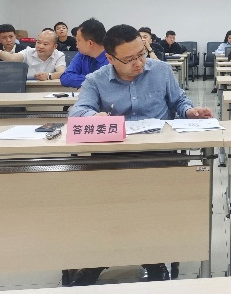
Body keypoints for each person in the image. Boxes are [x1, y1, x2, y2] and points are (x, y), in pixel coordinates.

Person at [68, 24, 213, 286]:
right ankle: (99, 257)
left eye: (141, 54)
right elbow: (78, 114)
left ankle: (153, 258)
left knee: (153, 203)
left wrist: (189, 111)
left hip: (159, 158)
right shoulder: (96, 80)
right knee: (105, 204)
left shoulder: (161, 71)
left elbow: (179, 101)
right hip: (113, 160)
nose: (138, 63)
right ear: (110, 58)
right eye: (129, 59)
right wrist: (94, 116)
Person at [0, 30, 66, 80]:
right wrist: (0, 52)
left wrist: (48, 76)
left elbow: (62, 72)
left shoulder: (59, 55)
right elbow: (12, 58)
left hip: (49, 89)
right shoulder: (28, 52)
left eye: (45, 44)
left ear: (55, 46)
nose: (40, 46)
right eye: (38, 42)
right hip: (27, 88)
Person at [60, 18, 108, 88]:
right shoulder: (82, 55)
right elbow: (65, 78)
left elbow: (108, 83)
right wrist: (94, 80)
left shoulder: (113, 58)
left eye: (78, 41)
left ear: (90, 43)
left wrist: (84, 80)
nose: (76, 45)